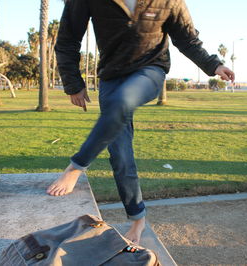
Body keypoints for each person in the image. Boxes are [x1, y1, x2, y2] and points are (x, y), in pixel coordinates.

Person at [47, 0, 234, 245]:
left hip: (150, 71)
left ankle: (76, 167)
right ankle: (137, 219)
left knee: (123, 101)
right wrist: (74, 84)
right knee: (120, 152)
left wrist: (214, 64)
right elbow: (68, 39)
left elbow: (186, 39)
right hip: (111, 77)